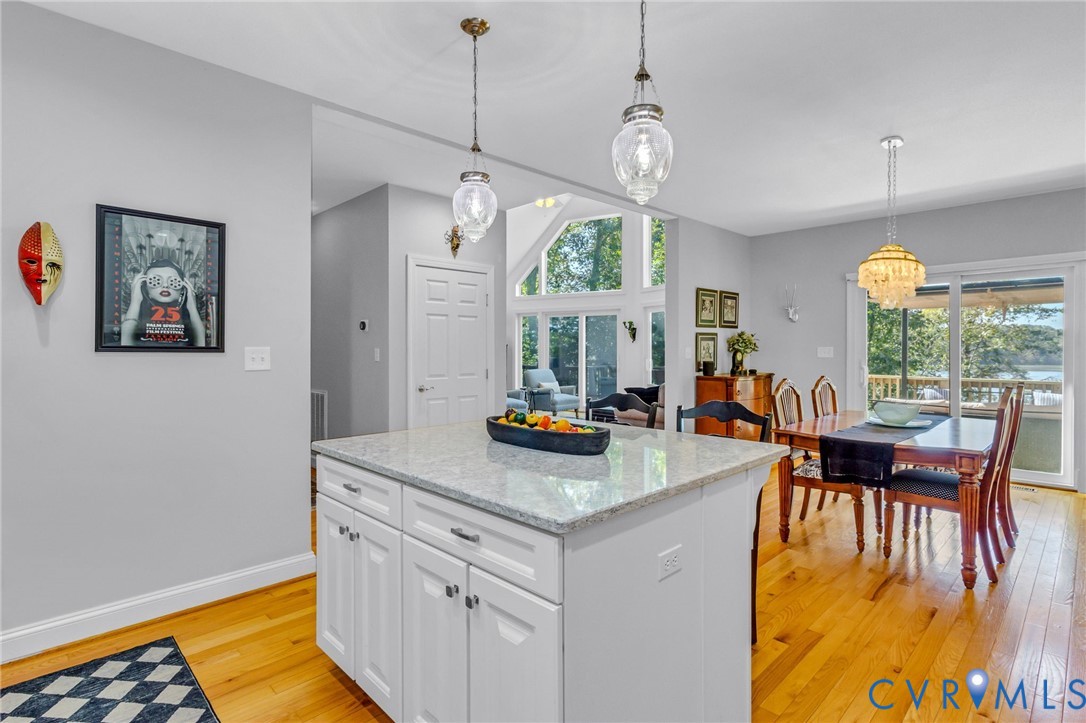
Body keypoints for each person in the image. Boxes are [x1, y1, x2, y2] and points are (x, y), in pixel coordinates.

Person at [120, 259, 205, 347]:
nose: (165, 285)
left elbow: (202, 347)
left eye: (173, 281)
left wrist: (191, 305)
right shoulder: (130, 315)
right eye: (155, 280)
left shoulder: (189, 317)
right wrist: (135, 301)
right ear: (145, 287)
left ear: (183, 287)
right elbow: (124, 347)